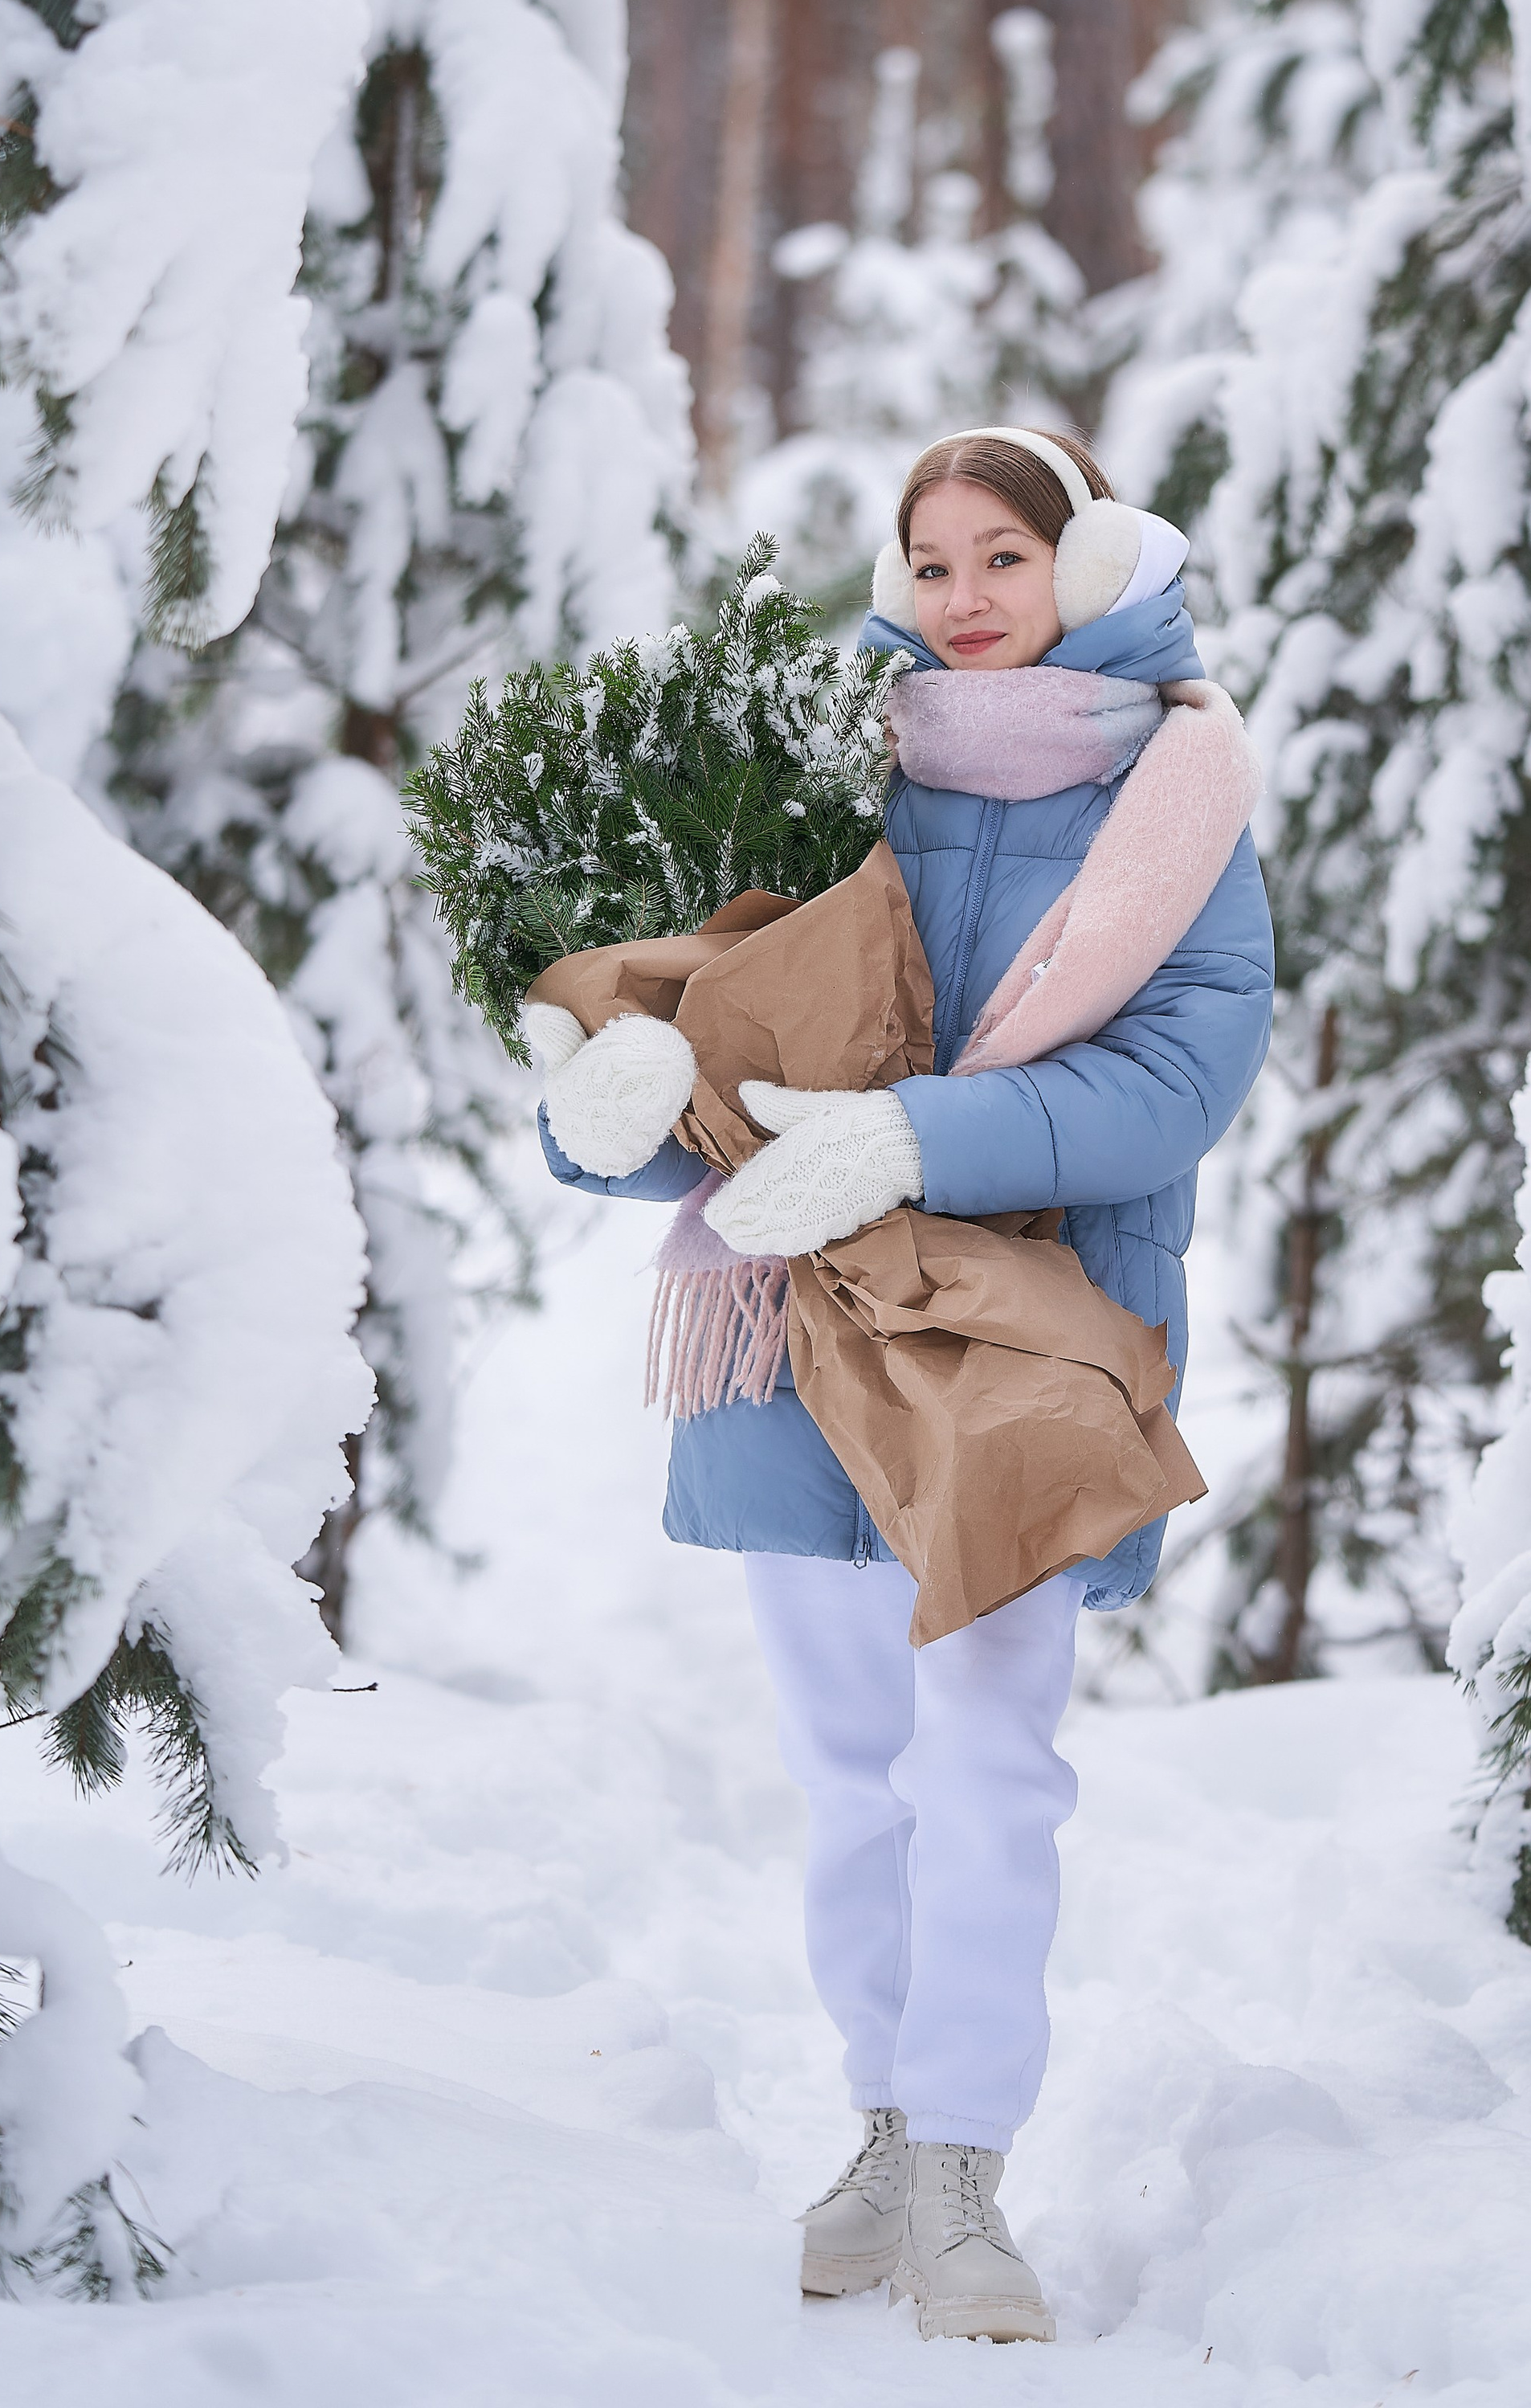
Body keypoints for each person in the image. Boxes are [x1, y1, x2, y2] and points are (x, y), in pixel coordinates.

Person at [530, 427, 1273, 2344]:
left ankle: (962, 2168)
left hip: (1024, 1344)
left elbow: (1173, 1079)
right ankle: (879, 2126)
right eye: (927, 560)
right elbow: (705, 1024)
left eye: (1000, 556)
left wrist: (909, 1142)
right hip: (794, 1337)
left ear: (1087, 564)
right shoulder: (818, 770)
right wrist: (606, 1104)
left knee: (988, 1773)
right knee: (852, 1778)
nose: (959, 596)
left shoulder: (1174, 801)